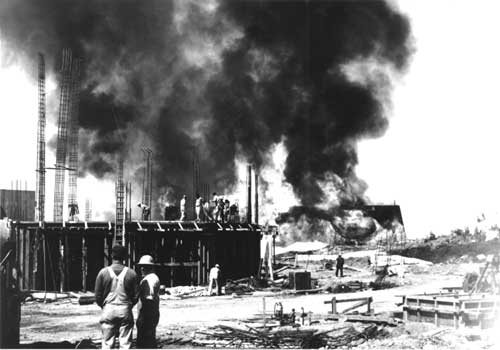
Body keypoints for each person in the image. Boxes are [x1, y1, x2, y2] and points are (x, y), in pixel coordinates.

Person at [95, 245, 139, 349]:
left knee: (107, 344)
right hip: (125, 309)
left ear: (112, 256)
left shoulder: (103, 272)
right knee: (125, 344)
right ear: (124, 257)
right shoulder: (131, 273)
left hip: (108, 309)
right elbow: (136, 295)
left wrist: (104, 306)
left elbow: (97, 295)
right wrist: (128, 306)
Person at [136, 255, 160, 349]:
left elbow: (148, 300)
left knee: (144, 341)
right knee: (150, 339)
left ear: (150, 267)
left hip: (147, 313)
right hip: (152, 313)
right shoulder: (152, 277)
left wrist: (142, 317)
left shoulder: (149, 279)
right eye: (141, 266)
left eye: (145, 266)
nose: (142, 268)